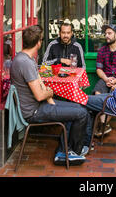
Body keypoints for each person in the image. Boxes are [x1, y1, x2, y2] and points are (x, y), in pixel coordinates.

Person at [10, 25, 89, 165]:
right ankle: (71, 152)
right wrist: (51, 92)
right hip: (34, 111)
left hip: (38, 105)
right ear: (39, 42)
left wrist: (49, 96)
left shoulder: (22, 58)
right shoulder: (26, 63)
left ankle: (64, 149)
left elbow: (40, 84)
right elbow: (40, 95)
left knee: (77, 107)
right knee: (82, 113)